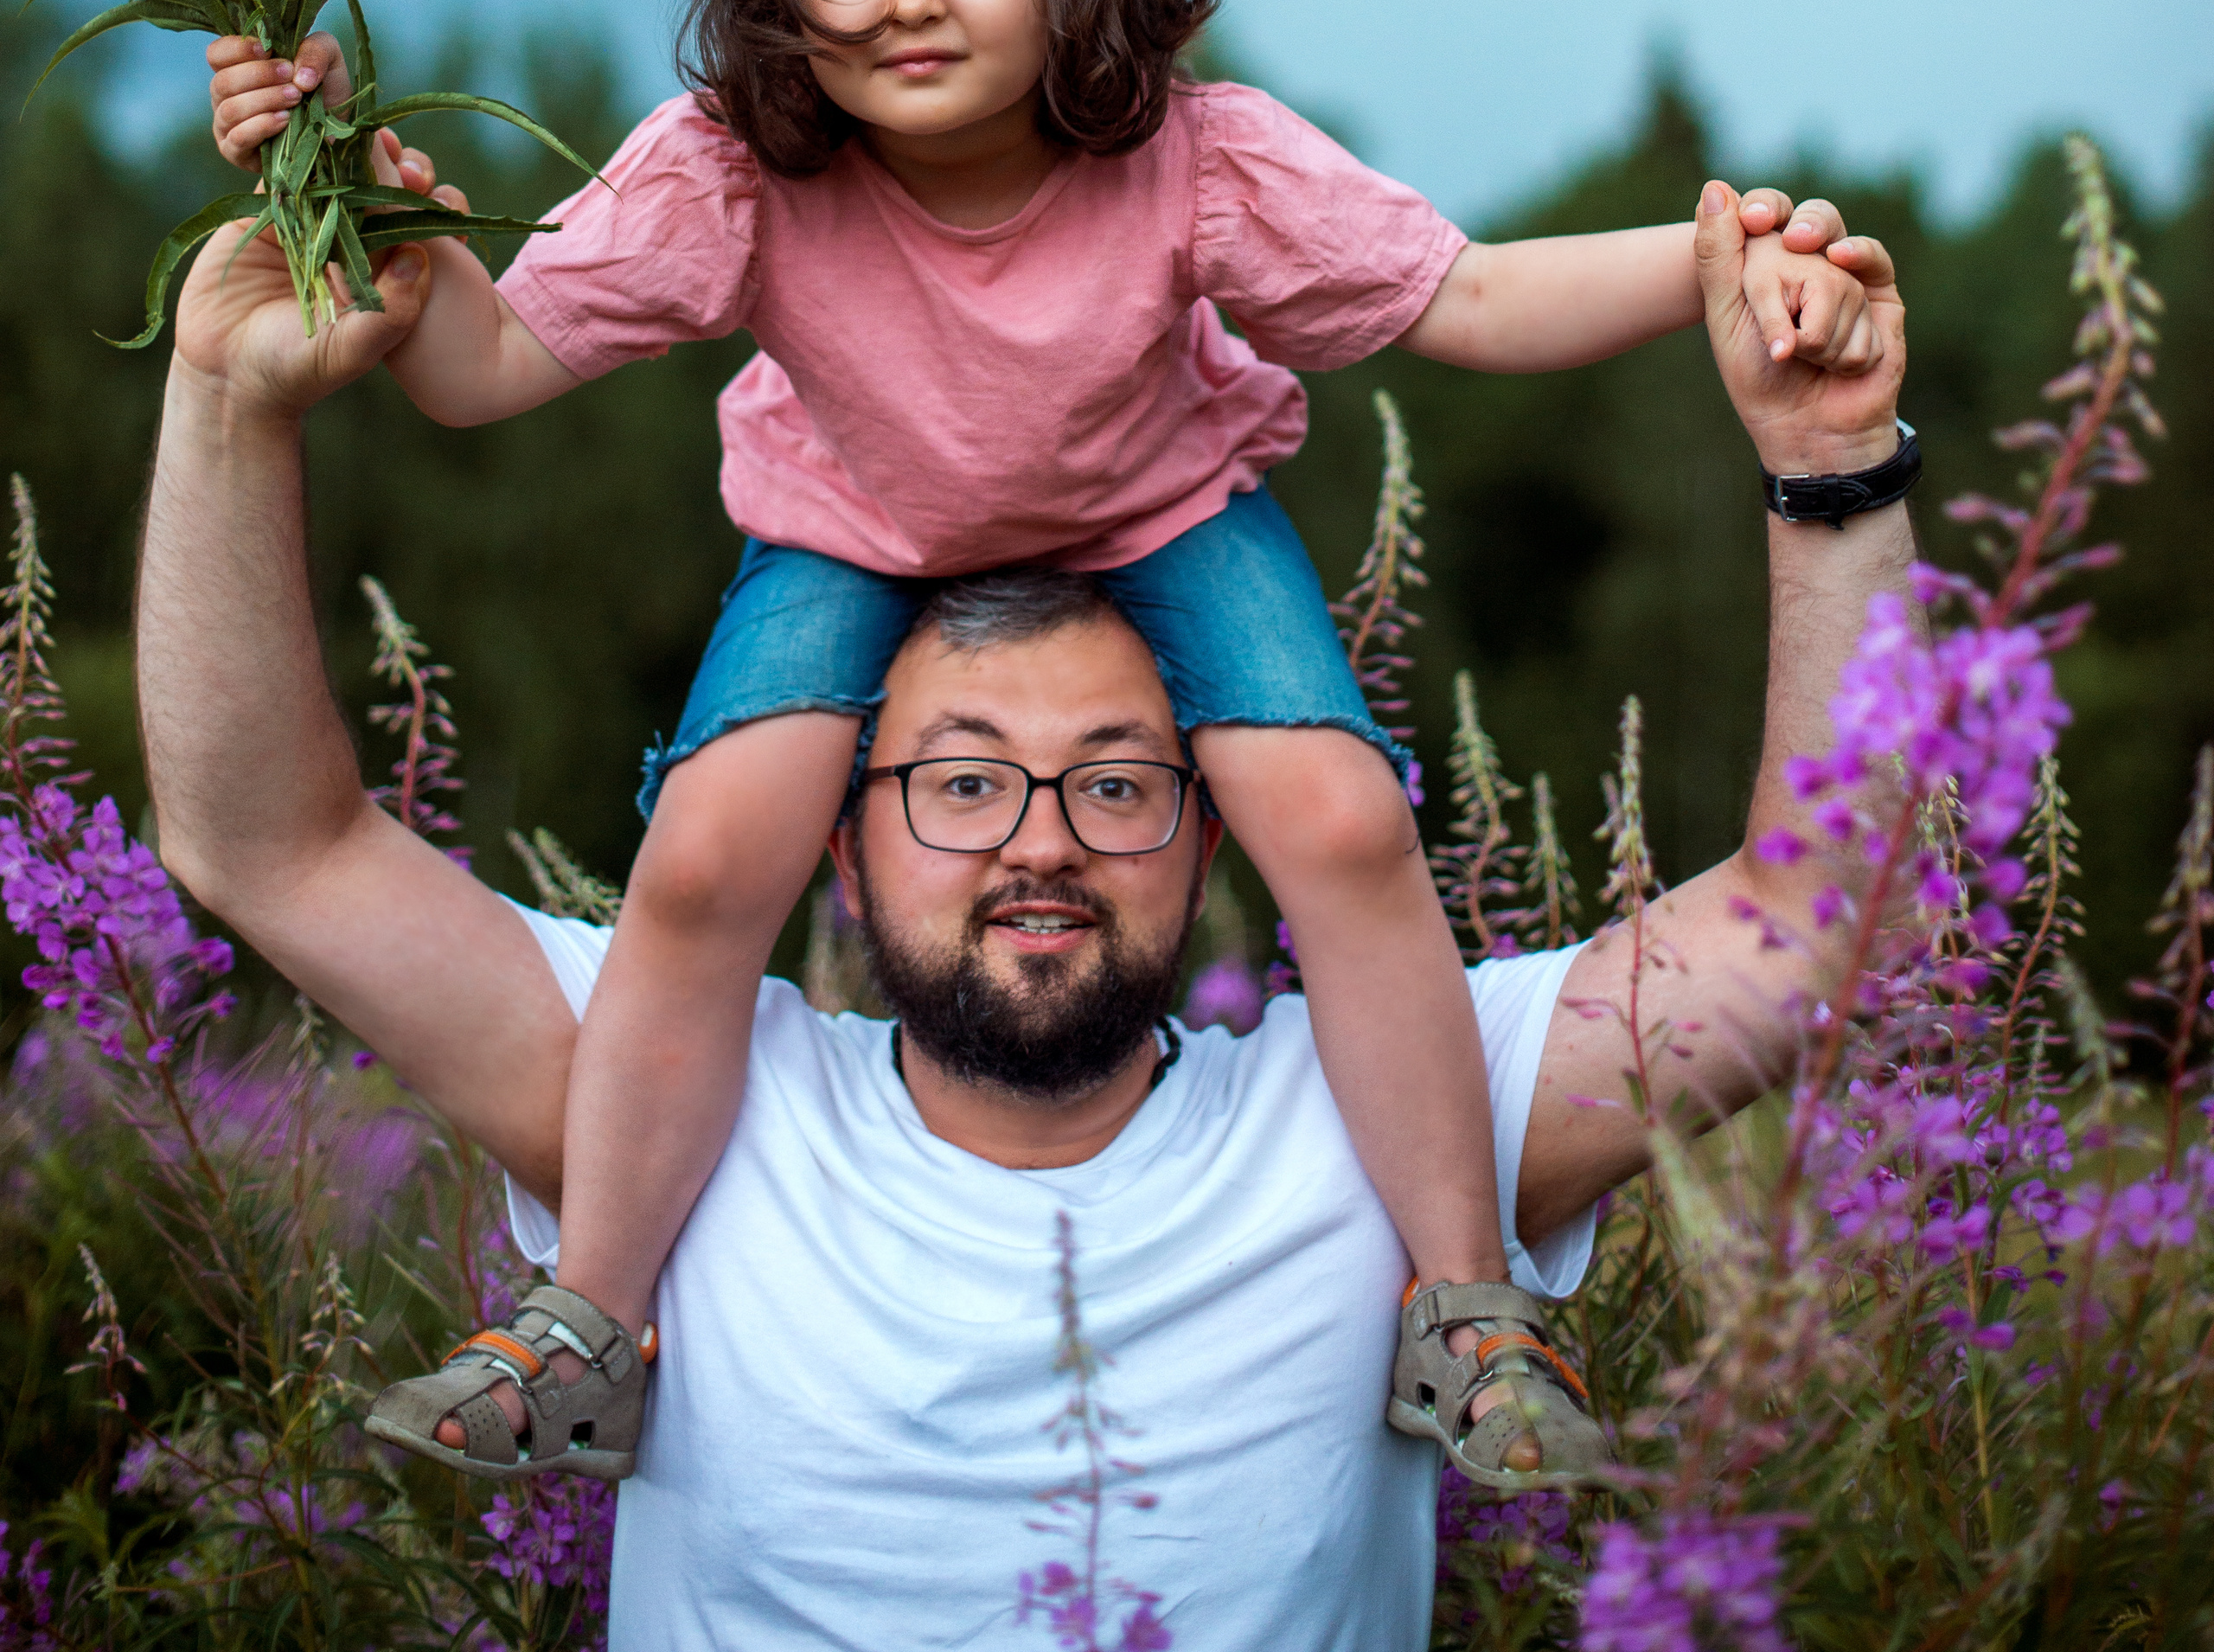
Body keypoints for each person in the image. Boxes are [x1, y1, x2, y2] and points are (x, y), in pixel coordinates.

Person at [200, 0, 1891, 1485]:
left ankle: (1468, 1303)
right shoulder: (733, 174)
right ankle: (589, 1318)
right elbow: (478, 367)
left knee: (1341, 825)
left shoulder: (1189, 158)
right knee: (701, 855)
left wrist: (1717, 258)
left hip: (1157, 504)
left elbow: (1465, 296)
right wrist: (346, 190)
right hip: (852, 520)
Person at [136, 165, 1914, 1646]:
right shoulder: (669, 1104)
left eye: (1119, 782)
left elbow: (1813, 923)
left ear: (1213, 842)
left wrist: (1831, 467)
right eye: (962, 780)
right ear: (840, 847)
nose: (1038, 845)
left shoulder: (1397, 1108)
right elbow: (266, 845)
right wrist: (228, 401)